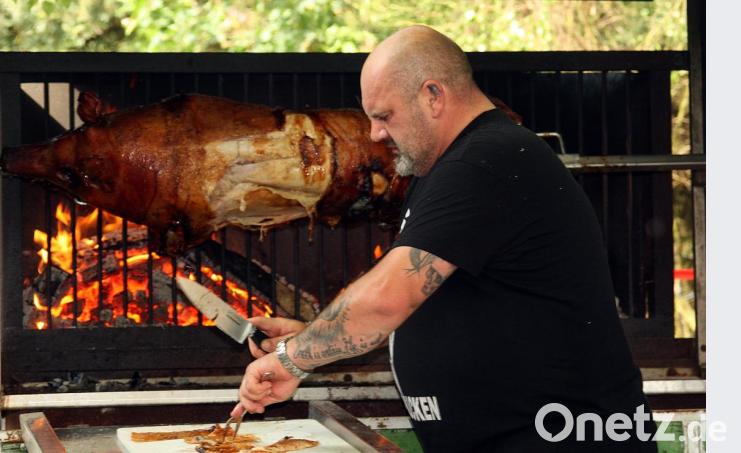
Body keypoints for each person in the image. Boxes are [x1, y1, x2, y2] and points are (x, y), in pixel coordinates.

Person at [231, 25, 657, 452]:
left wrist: (294, 359)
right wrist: (314, 336)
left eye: (383, 116)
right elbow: (435, 303)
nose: (376, 133)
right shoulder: (446, 168)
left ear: (433, 95)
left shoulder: (487, 160)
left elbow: (386, 301)